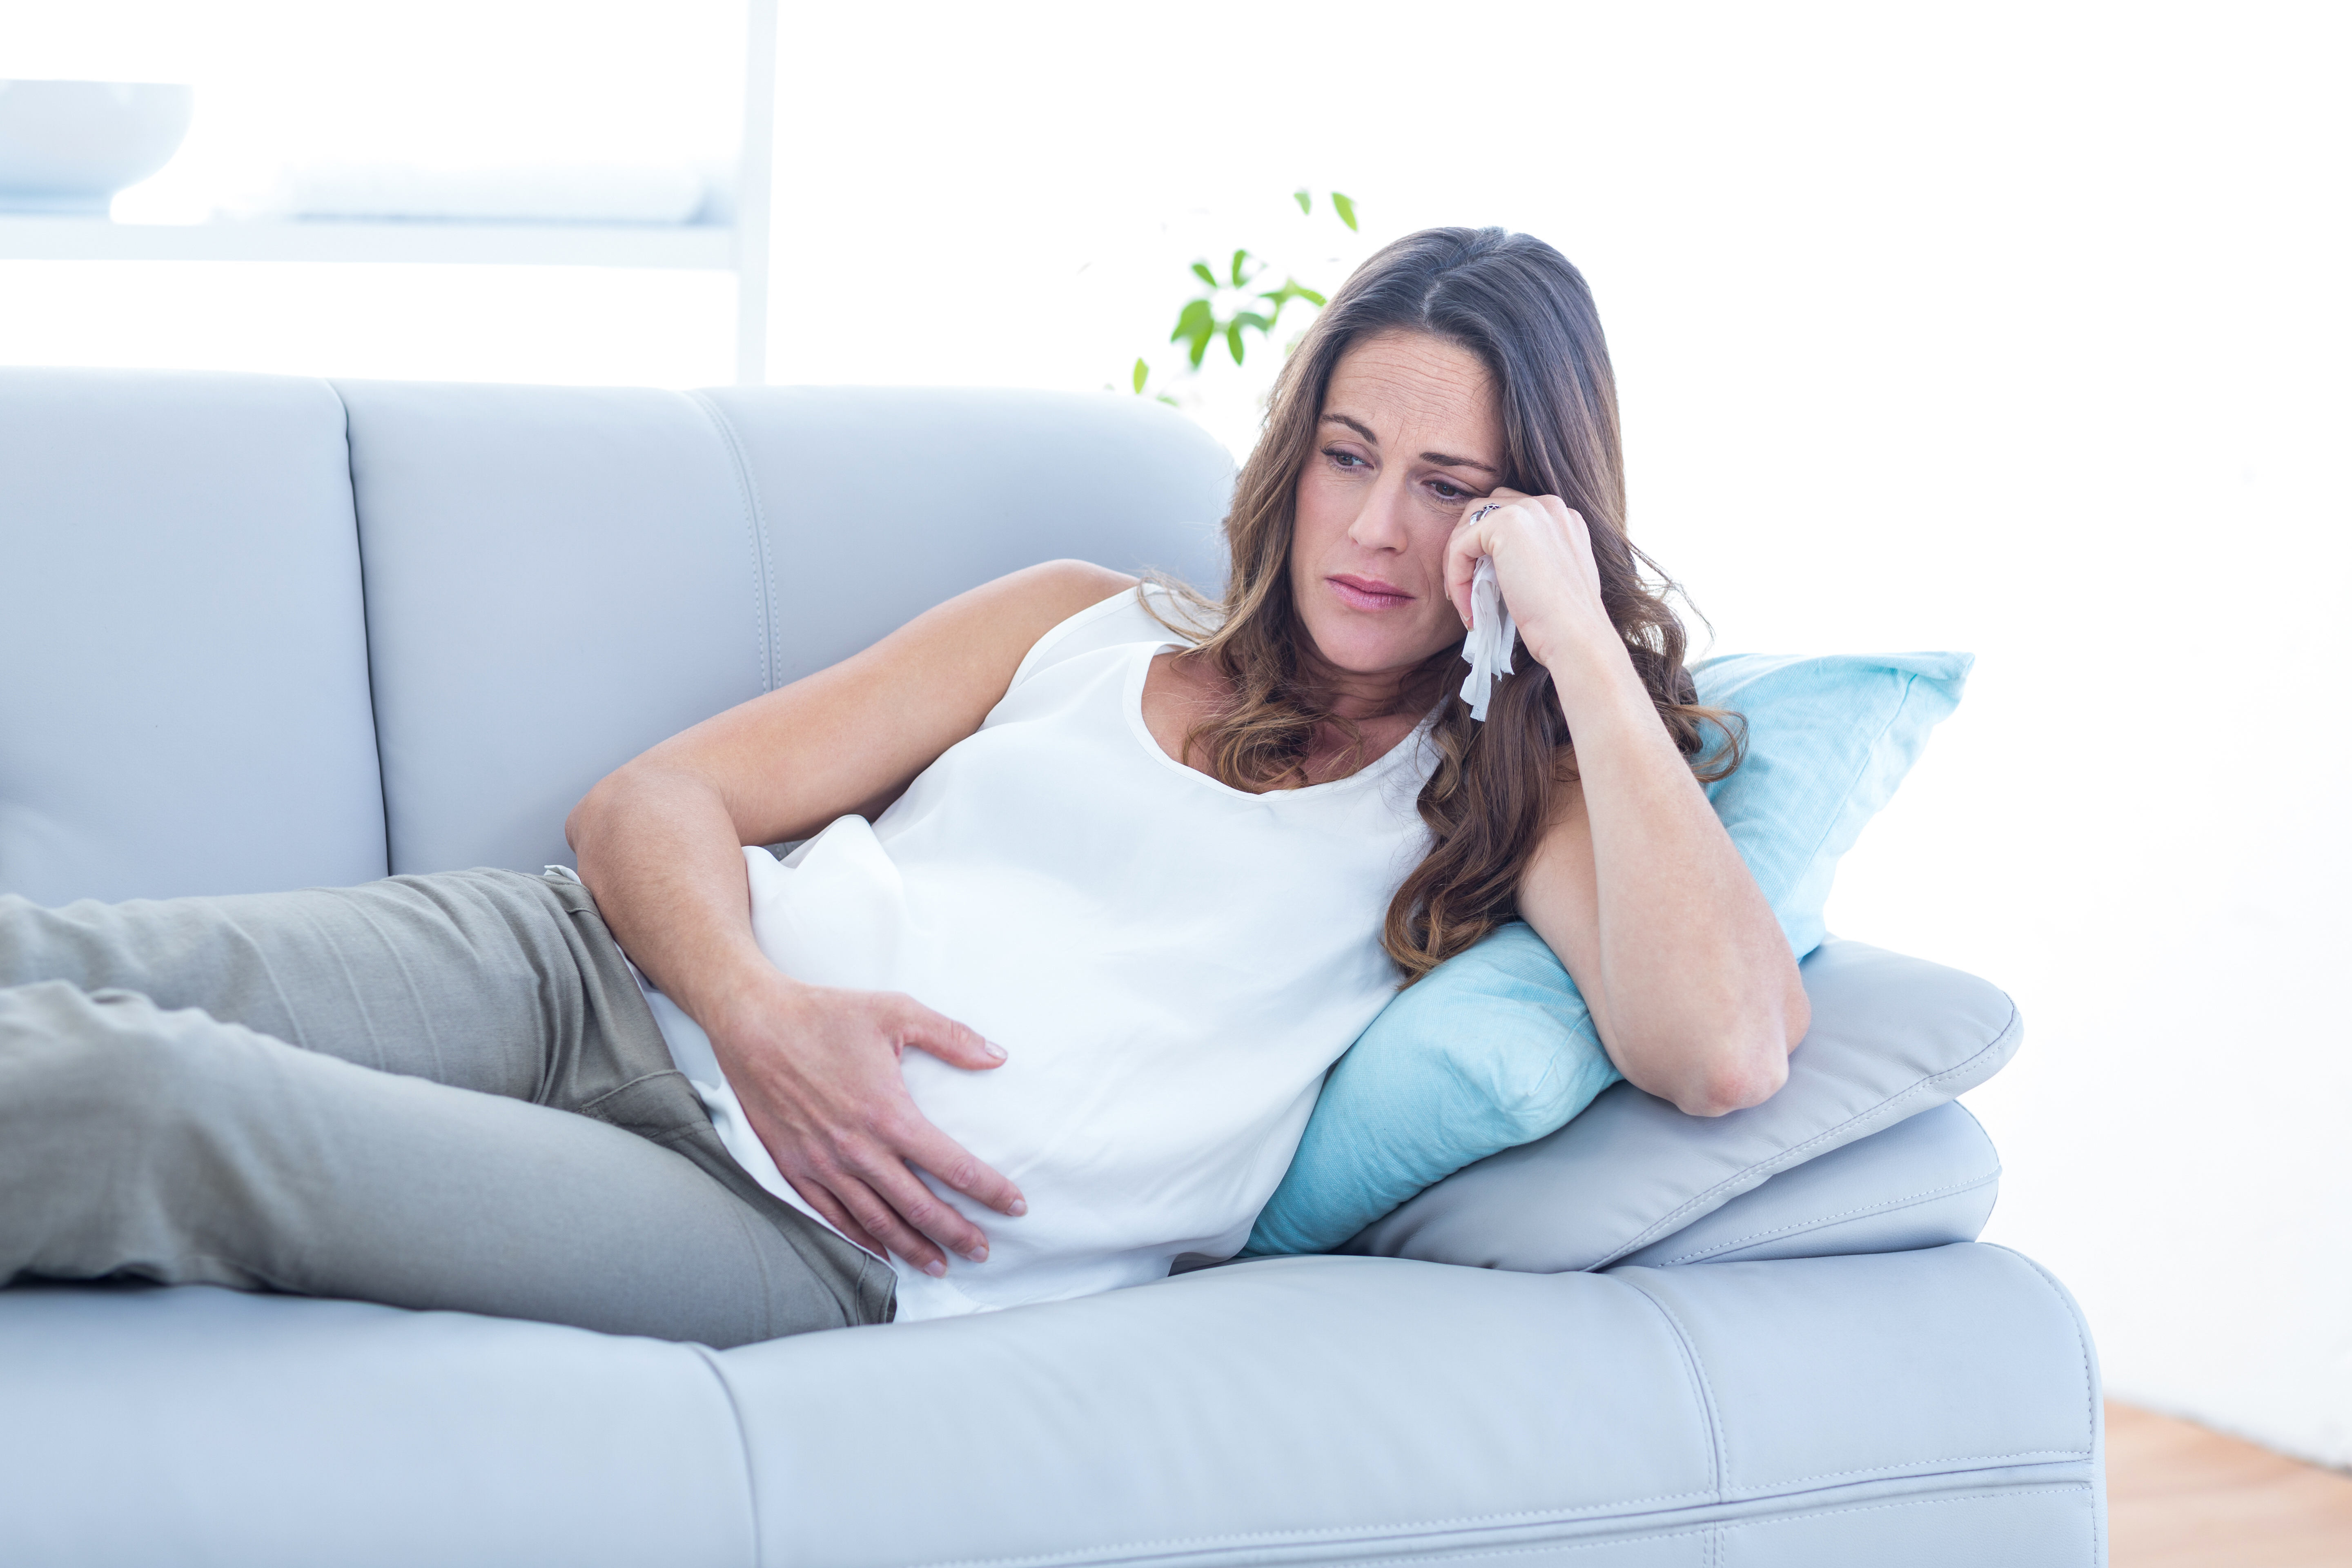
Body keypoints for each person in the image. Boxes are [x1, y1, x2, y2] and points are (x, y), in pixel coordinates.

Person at [0, 227, 1805, 1346]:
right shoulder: (1086, 624)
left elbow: (1726, 1047)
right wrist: (763, 1012)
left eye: (1446, 486)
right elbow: (649, 807)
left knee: (151, 1102)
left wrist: (1572, 638)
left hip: (792, 1223)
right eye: (1345, 454)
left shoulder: (1509, 810)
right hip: (590, 969)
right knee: (68, 958)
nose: (1372, 527)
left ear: (1528, 512)